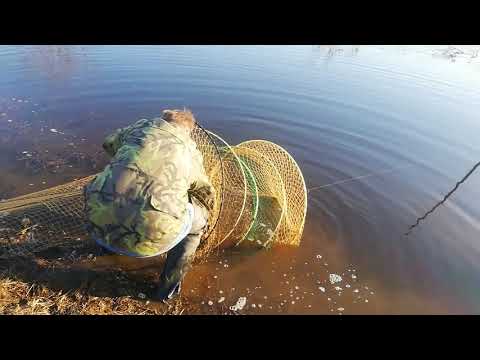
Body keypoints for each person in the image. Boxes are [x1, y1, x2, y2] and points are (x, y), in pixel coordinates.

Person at [84, 109, 215, 301]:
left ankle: (105, 249)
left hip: (95, 225)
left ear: (164, 121)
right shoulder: (190, 151)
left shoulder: (139, 129)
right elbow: (205, 190)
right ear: (187, 130)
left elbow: (108, 143)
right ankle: (166, 290)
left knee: (103, 189)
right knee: (198, 225)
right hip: (150, 242)